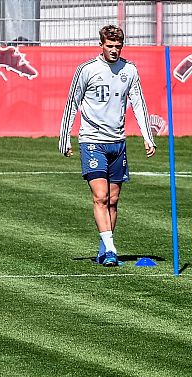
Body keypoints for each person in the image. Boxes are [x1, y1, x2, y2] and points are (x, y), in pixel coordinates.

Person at [59, 25, 155, 267]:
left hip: (118, 143)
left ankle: (104, 248)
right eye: (109, 46)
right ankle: (112, 249)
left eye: (118, 46)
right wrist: (65, 137)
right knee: (100, 197)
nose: (114, 50)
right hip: (92, 141)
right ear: (101, 45)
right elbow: (72, 103)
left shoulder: (129, 70)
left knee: (113, 200)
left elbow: (139, 103)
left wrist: (147, 136)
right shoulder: (87, 70)